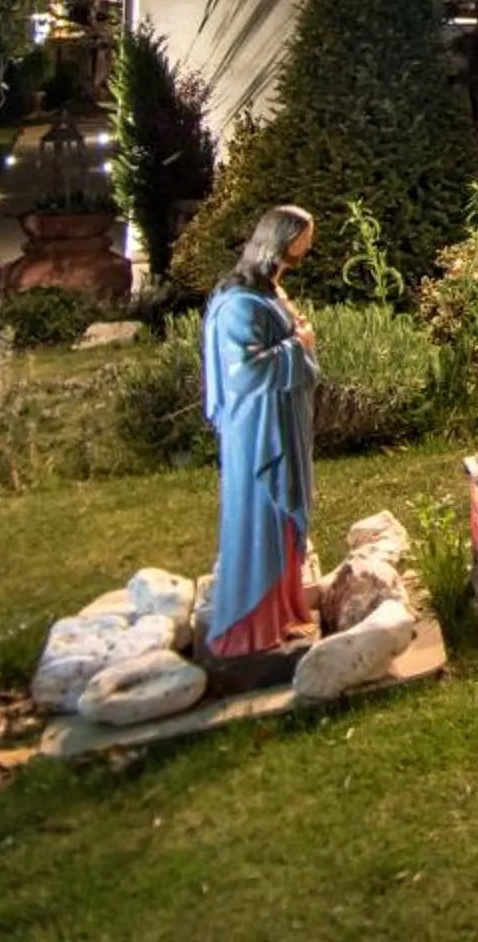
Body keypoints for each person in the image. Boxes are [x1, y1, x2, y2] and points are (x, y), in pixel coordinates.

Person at [201, 205, 319, 675]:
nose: (308, 245)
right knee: (261, 518)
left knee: (287, 514)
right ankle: (247, 626)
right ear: (283, 238)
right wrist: (300, 346)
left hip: (283, 421)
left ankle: (283, 611)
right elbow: (245, 370)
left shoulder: (269, 290)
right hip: (259, 433)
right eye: (305, 236)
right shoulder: (239, 303)